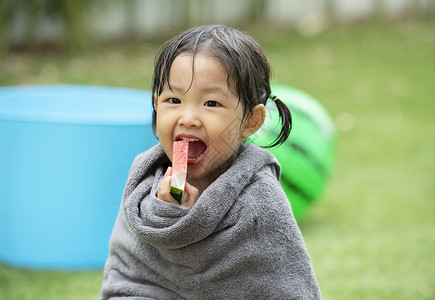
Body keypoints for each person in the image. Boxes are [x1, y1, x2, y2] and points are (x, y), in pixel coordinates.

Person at [101, 24, 321, 299]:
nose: (188, 117)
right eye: (174, 99)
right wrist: (166, 212)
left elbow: (285, 287)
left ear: (250, 122)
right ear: (157, 105)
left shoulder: (259, 201)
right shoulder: (143, 181)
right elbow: (126, 277)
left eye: (211, 103)